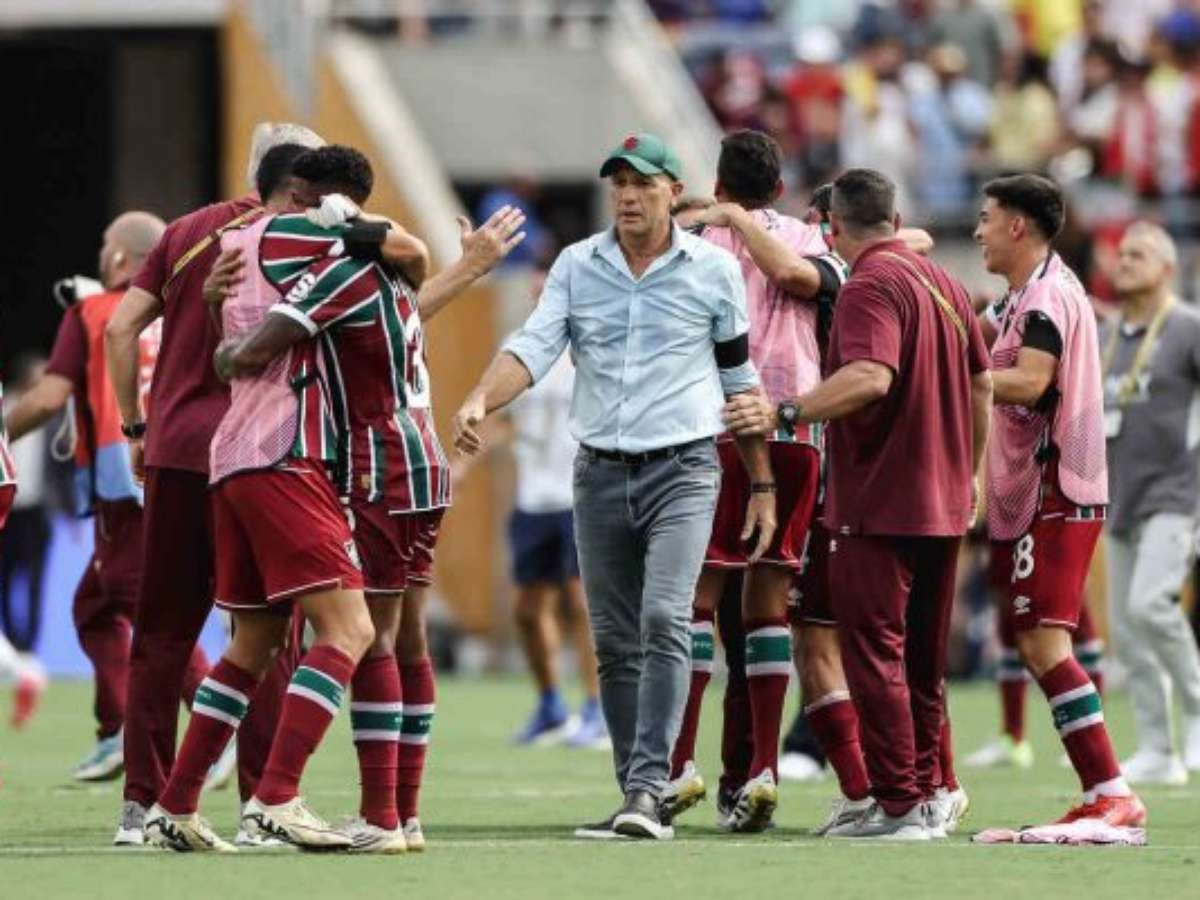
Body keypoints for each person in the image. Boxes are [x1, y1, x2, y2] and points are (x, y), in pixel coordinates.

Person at [198, 150, 528, 852]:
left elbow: (253, 350)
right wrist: (467, 266)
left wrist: (222, 340)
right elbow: (411, 268)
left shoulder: (339, 273)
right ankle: (404, 816)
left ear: (322, 205)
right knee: (406, 636)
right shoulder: (391, 272)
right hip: (422, 458)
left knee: (366, 635)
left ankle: (377, 815)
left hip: (379, 464)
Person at [453, 132, 775, 841]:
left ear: (673, 192)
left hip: (684, 469)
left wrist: (761, 482)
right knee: (613, 641)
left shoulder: (714, 270)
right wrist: (479, 396)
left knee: (664, 617)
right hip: (597, 471)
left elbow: (738, 378)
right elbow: (533, 346)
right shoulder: (576, 265)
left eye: (642, 183)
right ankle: (638, 792)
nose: (627, 196)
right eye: (618, 184)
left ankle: (651, 787)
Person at [143, 143, 412, 853]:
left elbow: (224, 348)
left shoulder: (232, 246)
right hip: (288, 454)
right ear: (317, 197)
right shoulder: (320, 242)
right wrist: (362, 228)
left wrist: (221, 325)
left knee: (252, 645)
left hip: (232, 456)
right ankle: (278, 795)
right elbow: (405, 251)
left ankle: (175, 804)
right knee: (350, 631)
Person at [725, 168, 992, 840]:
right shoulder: (946, 282)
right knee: (923, 662)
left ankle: (897, 804)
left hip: (880, 497)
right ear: (896, 222)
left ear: (832, 228)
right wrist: (972, 471)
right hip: (943, 497)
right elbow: (982, 383)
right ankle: (927, 794)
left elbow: (871, 376)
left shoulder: (868, 284)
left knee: (873, 653)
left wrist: (785, 411)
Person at [104, 122, 324, 847]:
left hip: (174, 449)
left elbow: (120, 330)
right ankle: (264, 804)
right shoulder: (303, 239)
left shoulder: (185, 233)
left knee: (161, 634)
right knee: (265, 633)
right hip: (259, 455)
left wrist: (136, 427)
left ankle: (140, 806)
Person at [660, 130, 844, 833]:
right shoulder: (808, 236)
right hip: (795, 433)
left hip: (712, 427)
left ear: (720, 183)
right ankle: (762, 768)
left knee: (696, 599)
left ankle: (678, 764)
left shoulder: (694, 241)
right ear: (781, 186)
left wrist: (723, 218)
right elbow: (806, 277)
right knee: (768, 605)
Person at [4, 211, 216, 785]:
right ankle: (116, 730)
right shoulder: (187, 309)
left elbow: (48, 399)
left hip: (123, 476)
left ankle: (214, 724)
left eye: (106, 244)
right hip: (194, 468)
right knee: (95, 606)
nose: (101, 252)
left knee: (146, 608)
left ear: (121, 256)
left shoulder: (91, 312)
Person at [974, 173, 1145, 829]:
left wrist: (964, 378)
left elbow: (1029, 380)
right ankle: (1104, 789)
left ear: (1018, 226)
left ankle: (1112, 790)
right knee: (1036, 641)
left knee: (1046, 644)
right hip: (1037, 489)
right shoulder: (1024, 294)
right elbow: (971, 328)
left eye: (988, 219)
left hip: (1056, 485)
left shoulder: (1046, 296)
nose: (979, 231)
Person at [1102, 221, 1200, 783]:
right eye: (1122, 254)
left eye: (1137, 255)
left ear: (1166, 268)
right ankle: (1158, 747)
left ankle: (1196, 711)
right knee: (1125, 627)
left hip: (1175, 493)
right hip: (1120, 495)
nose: (1124, 262)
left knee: (1150, 606)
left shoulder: (1187, 329)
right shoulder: (1109, 334)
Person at [0, 374, 45, 729]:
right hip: (7, 487)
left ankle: (22, 668)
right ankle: (22, 669)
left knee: (29, 582)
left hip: (23, 503)